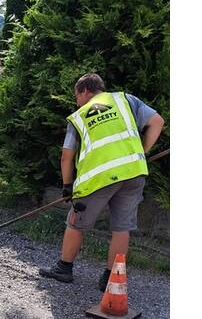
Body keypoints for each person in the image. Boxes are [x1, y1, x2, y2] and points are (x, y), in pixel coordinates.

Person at [39, 73, 165, 286]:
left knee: (76, 222)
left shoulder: (80, 116)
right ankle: (111, 279)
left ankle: (64, 268)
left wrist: (67, 186)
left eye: (76, 96)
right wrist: (142, 152)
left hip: (99, 178)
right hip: (133, 172)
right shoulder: (126, 100)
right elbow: (157, 121)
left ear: (85, 91)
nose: (77, 102)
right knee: (122, 228)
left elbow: (66, 156)